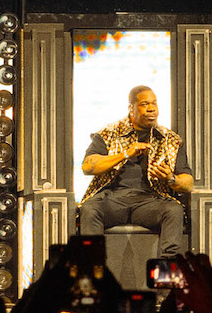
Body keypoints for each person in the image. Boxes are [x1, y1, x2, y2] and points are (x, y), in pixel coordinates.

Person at [78, 86, 193, 256]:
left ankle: (166, 269)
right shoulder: (109, 133)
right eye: (145, 104)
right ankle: (93, 268)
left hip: (149, 201)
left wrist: (171, 178)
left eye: (154, 103)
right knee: (90, 209)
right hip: (113, 199)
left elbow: (188, 183)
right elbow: (88, 166)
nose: (151, 109)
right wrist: (125, 154)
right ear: (131, 108)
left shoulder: (170, 140)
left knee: (173, 210)